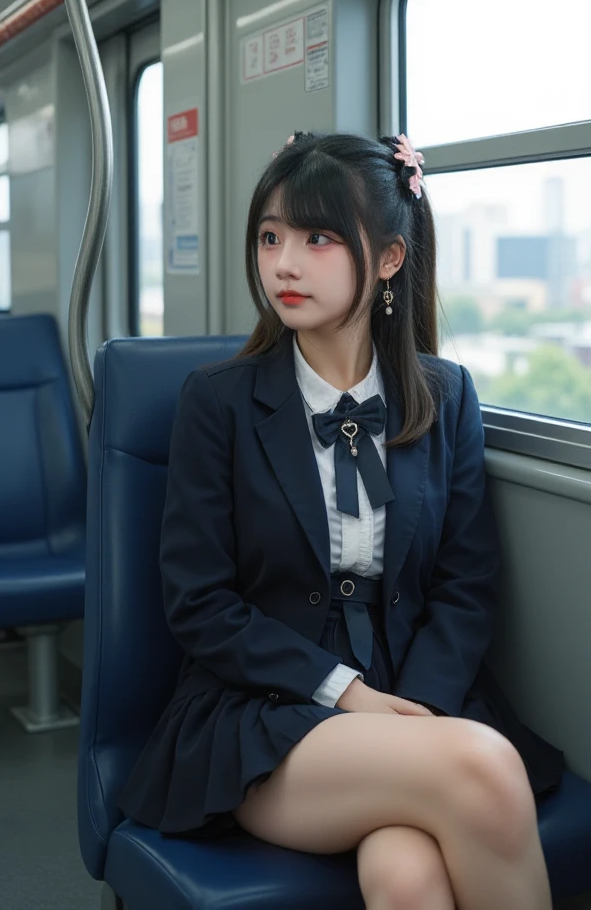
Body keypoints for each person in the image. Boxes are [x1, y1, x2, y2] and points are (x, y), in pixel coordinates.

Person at [118, 131, 565, 909]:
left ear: (390, 258)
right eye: (270, 237)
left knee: (407, 878)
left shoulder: (445, 395)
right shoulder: (218, 403)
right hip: (260, 711)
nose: (283, 264)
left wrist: (419, 709)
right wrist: (347, 693)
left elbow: (466, 585)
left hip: (415, 697)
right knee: (484, 767)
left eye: (317, 238)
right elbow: (201, 605)